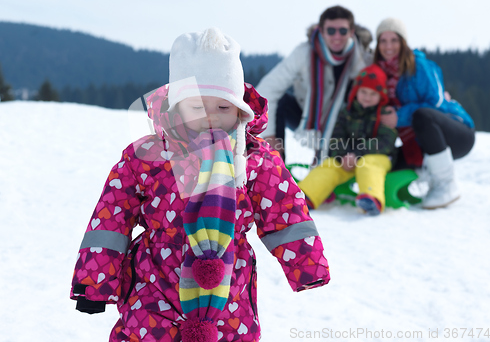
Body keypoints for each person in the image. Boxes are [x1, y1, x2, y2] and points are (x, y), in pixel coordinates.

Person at [70, 27, 330, 342]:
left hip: (229, 288)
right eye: (197, 107)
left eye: (222, 107)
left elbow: (285, 212)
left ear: (239, 109)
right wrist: (95, 281)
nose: (210, 117)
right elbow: (112, 215)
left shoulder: (256, 159)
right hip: (154, 284)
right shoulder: (147, 155)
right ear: (176, 106)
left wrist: (308, 264)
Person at [374, 18, 475, 209]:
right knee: (393, 162)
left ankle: (446, 185)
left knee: (422, 115)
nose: (388, 46)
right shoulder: (380, 73)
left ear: (403, 42)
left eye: (394, 40)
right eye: (383, 40)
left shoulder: (419, 66)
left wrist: (398, 116)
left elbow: (435, 102)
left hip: (457, 132)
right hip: (420, 141)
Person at [256, 5, 371, 162]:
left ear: (351, 32)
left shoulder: (363, 60)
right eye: (331, 31)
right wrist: (270, 136)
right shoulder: (303, 53)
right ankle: (276, 163)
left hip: (342, 125)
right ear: (322, 31)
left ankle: (338, 165)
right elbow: (267, 89)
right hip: (307, 118)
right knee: (281, 101)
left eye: (343, 31)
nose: (337, 36)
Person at [297, 64, 397, 216]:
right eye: (363, 92)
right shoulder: (346, 113)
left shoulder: (383, 115)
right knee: (329, 165)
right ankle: (304, 196)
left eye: (373, 94)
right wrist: (343, 154)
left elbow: (386, 142)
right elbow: (336, 137)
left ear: (381, 96)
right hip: (347, 158)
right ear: (356, 91)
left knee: (369, 165)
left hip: (376, 156)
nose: (367, 97)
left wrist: (357, 154)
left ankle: (371, 198)